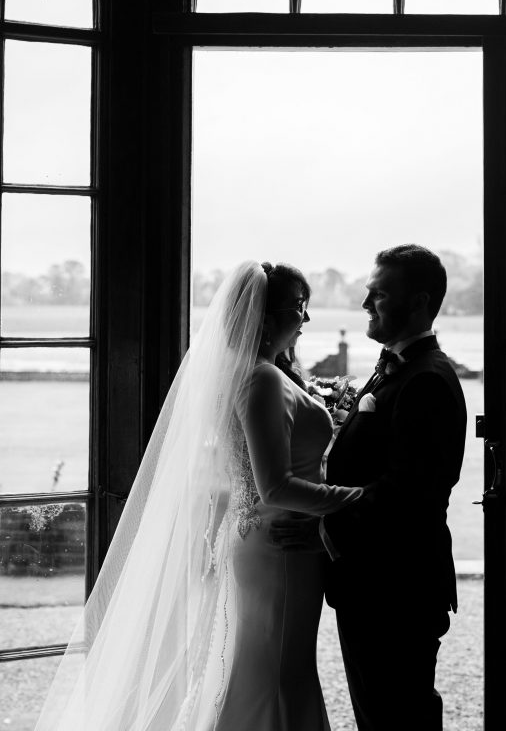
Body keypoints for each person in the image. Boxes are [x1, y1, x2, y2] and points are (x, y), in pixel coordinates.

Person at [34, 260, 362, 731]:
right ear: (265, 318)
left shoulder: (253, 373)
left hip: (263, 539)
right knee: (279, 672)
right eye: (299, 307)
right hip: (282, 544)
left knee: (262, 667)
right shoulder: (262, 379)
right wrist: (361, 498)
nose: (306, 319)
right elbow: (275, 485)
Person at [323, 244, 467, 731]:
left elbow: (408, 491)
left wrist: (320, 515)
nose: (366, 304)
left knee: (397, 716)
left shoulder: (426, 379)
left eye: (379, 295)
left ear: (420, 302)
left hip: (394, 585)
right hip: (376, 582)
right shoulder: (398, 367)